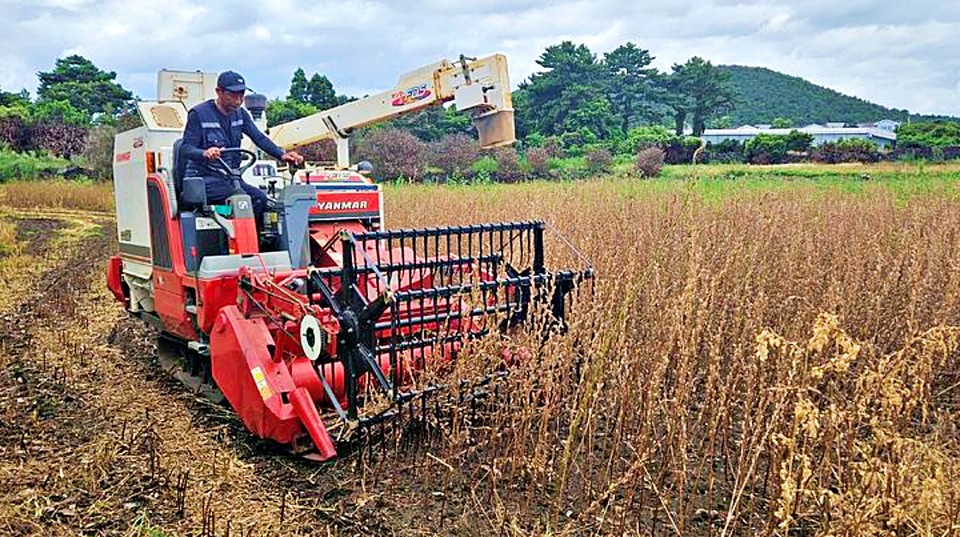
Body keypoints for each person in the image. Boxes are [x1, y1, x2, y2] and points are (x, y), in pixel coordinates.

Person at [181, 70, 303, 225]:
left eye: (241, 94)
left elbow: (258, 137)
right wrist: (205, 153)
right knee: (241, 198)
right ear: (219, 92)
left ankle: (259, 243)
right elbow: (186, 149)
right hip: (203, 179)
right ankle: (236, 241)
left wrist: (282, 155)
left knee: (261, 199)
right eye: (233, 95)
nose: (238, 100)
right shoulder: (199, 114)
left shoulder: (241, 114)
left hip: (230, 178)